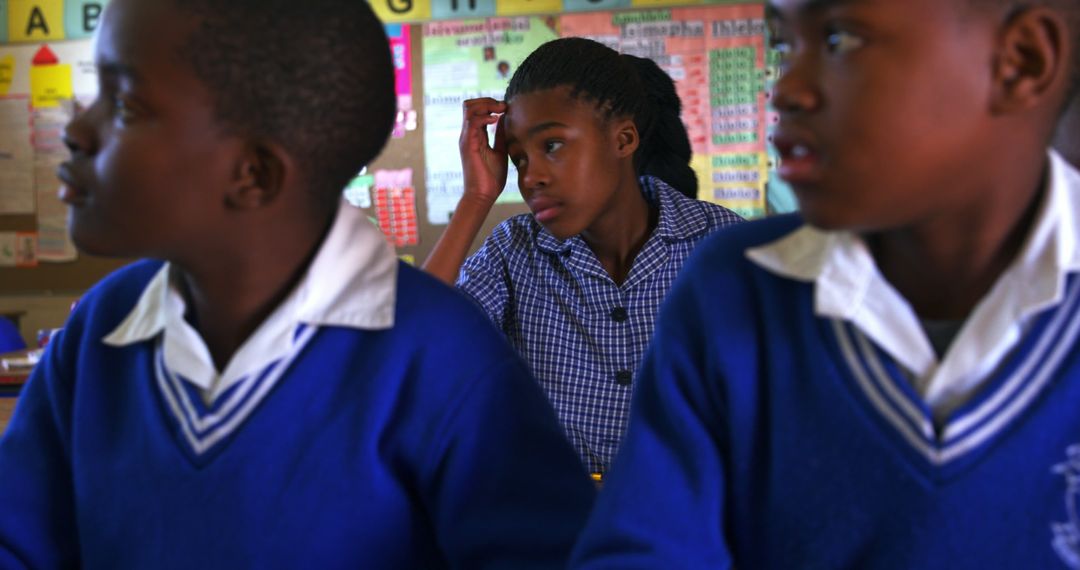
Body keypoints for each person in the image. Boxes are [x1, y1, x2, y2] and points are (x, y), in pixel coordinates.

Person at [0, 0, 595, 567]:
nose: (75, 129)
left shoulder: (444, 364)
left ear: (253, 174)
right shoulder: (103, 327)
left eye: (125, 106)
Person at [571, 0, 1080, 567]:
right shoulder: (737, 287)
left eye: (840, 39)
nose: (785, 91)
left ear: (1023, 61)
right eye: (787, 44)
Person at [423, 37, 743, 478]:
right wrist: (477, 196)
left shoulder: (721, 246)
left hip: (693, 523)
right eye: (518, 160)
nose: (531, 177)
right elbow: (411, 346)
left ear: (623, 139)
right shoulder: (514, 251)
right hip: (553, 525)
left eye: (552, 145)